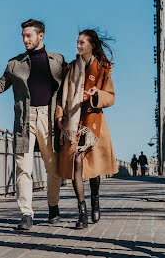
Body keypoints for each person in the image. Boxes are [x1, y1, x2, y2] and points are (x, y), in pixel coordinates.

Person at [0, 19, 64, 230]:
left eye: (29, 36)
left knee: (53, 168)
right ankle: (26, 213)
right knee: (23, 169)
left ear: (40, 36)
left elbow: (68, 87)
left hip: (49, 118)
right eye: (23, 36)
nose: (25, 40)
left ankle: (53, 207)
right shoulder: (14, 64)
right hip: (24, 121)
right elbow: (0, 87)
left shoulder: (57, 61)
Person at [56, 29, 117, 229]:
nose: (78, 45)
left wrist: (95, 94)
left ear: (91, 45)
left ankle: (95, 199)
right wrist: (59, 115)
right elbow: (61, 96)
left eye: (82, 42)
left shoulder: (102, 68)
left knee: (93, 169)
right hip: (73, 123)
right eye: (77, 42)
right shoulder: (71, 68)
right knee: (78, 163)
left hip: (93, 122)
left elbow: (110, 96)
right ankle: (82, 212)